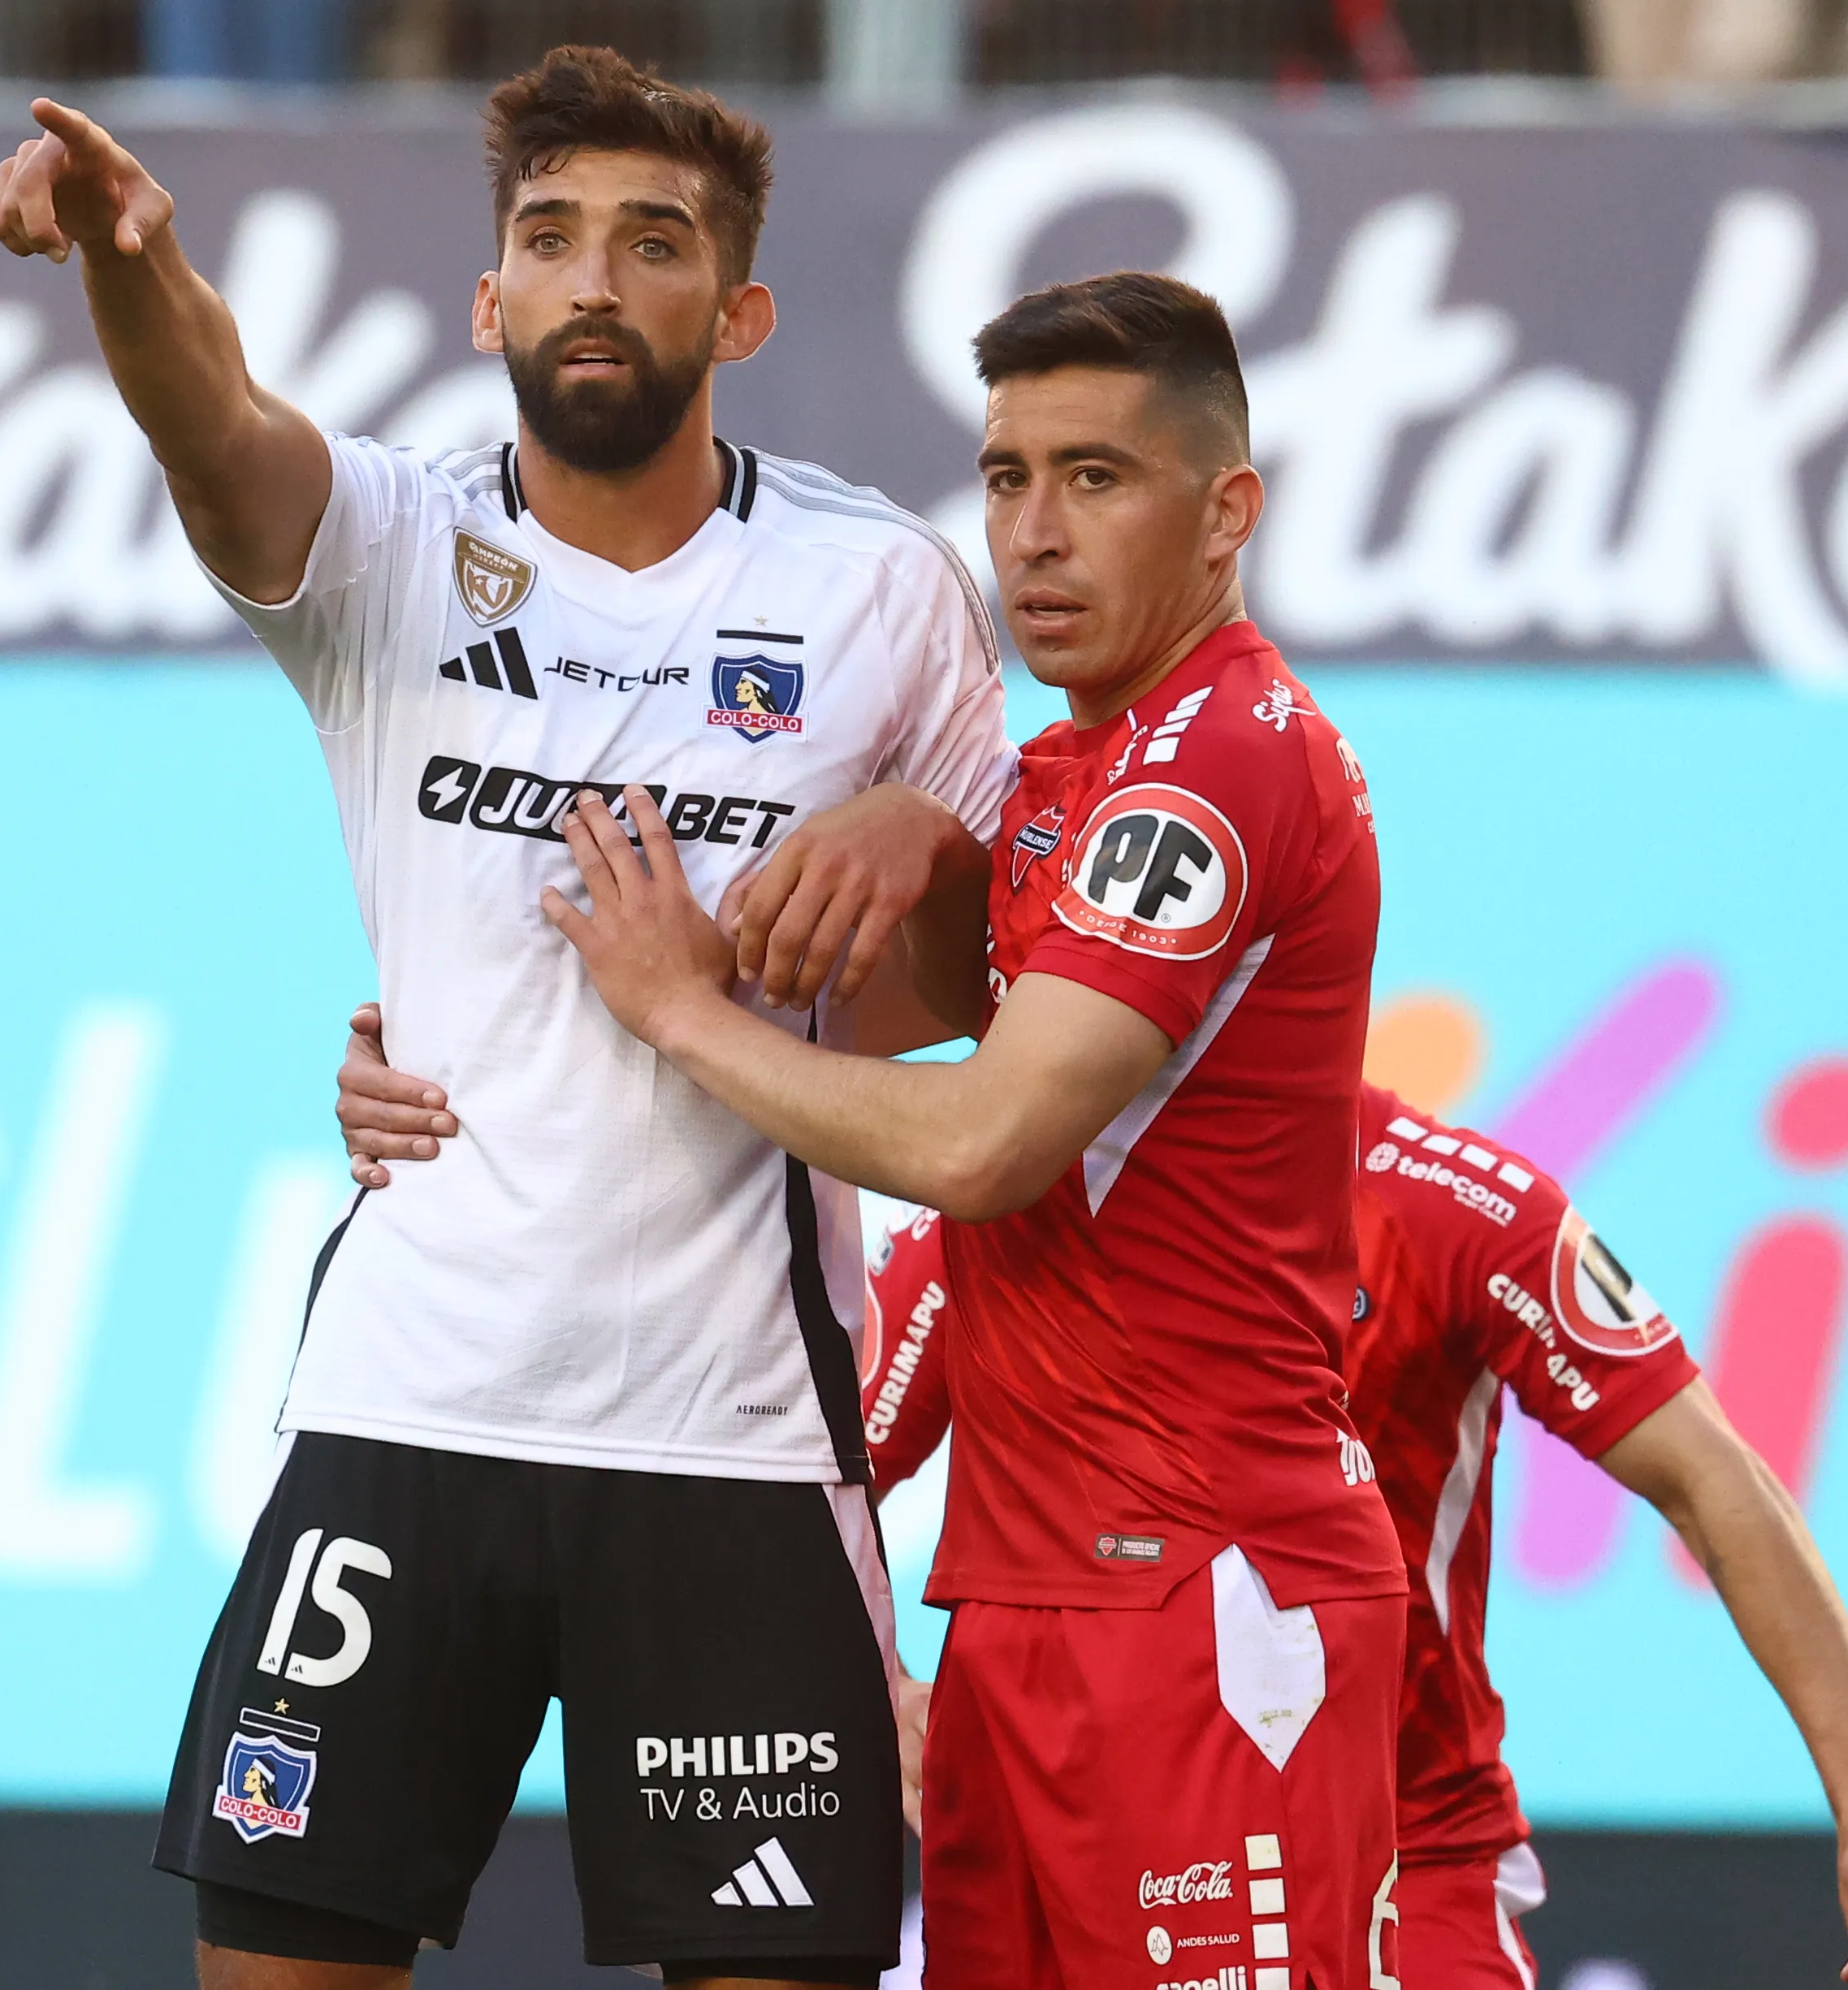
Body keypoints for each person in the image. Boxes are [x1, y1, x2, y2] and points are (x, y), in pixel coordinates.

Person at [0, 45, 1015, 1988]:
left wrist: (911, 836)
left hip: (732, 1438)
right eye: (550, 240)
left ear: (740, 309)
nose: (597, 281)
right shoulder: (385, 547)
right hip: (412, 1405)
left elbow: (987, 993)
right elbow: (216, 427)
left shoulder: (882, 589)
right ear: (490, 301)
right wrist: (131, 263)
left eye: (655, 243)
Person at [525, 271, 1409, 1990]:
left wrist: (679, 1009)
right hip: (1020, 1601)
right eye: (1007, 478)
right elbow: (796, 1040)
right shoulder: (1061, 775)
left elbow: (976, 1144)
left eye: (1096, 477)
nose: (1035, 533)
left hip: (1210, 1602)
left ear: (1228, 510)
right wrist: (462, 1057)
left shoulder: (1219, 759)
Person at [855, 1086, 1848, 1988]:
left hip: (1397, 1852)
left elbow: (1706, 1474)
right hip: (1066, 1851)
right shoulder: (1011, 1194)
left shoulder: (1449, 1205)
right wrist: (874, 1674)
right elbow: (815, 1469)